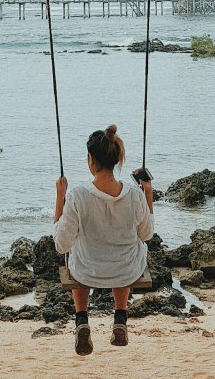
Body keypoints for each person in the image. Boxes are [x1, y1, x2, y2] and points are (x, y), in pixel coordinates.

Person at [53, 124, 155, 356]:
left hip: (86, 272)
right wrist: (148, 194)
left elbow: (61, 244)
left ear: (90, 160)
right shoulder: (134, 194)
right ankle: (120, 317)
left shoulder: (76, 195)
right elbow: (147, 235)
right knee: (129, 246)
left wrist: (60, 198)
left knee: (75, 247)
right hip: (126, 271)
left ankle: (82, 320)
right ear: (117, 159)